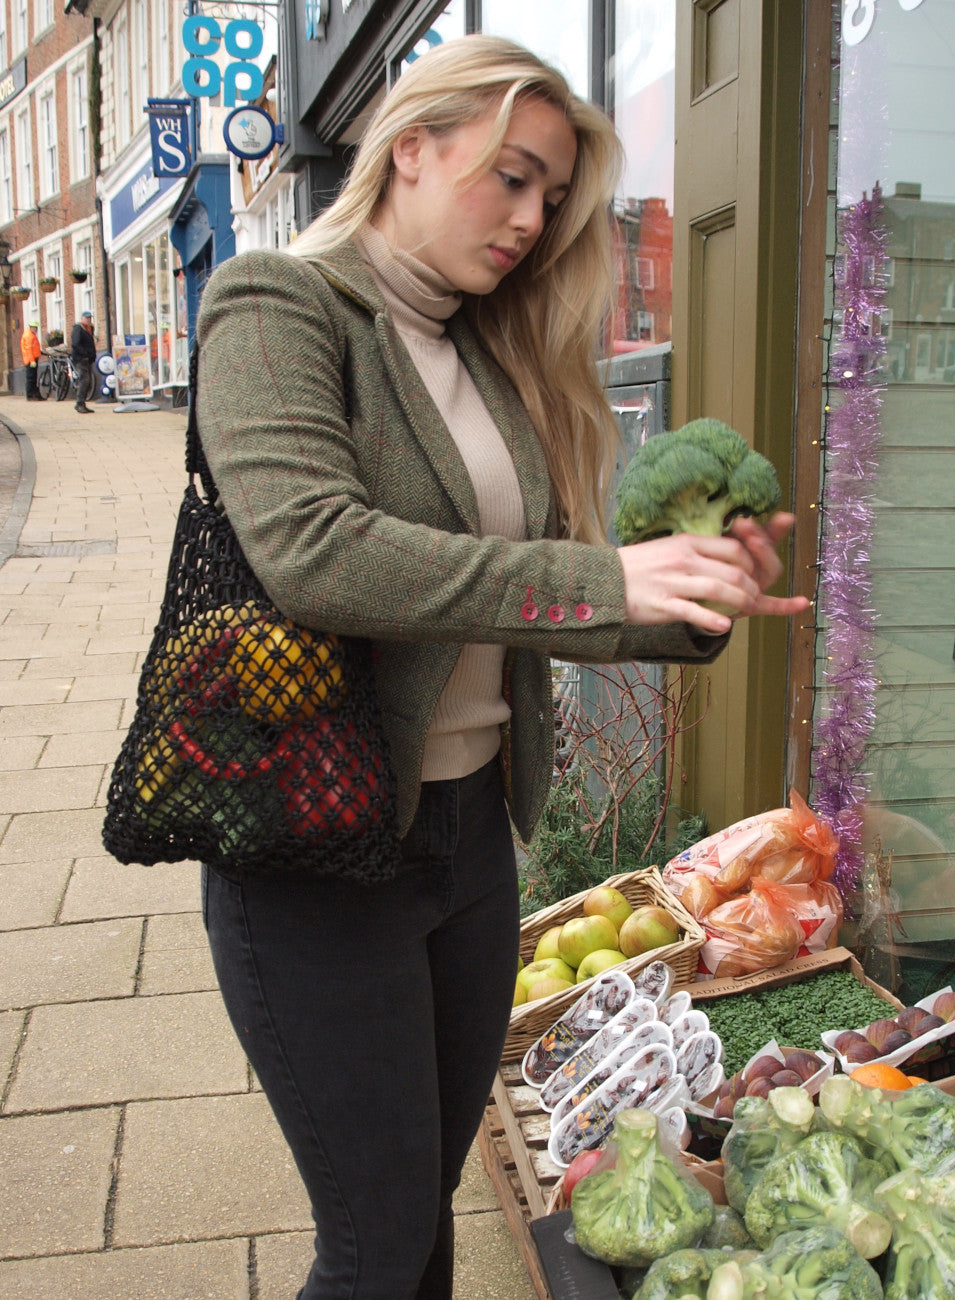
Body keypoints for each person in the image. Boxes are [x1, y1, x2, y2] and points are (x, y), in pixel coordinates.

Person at [193, 35, 808, 1300]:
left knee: (420, 1217)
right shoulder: (274, 304)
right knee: (370, 1248)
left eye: (553, 197)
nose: (533, 220)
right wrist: (610, 578)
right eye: (512, 178)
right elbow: (319, 552)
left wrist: (693, 602)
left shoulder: (480, 348)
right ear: (410, 146)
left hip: (471, 842)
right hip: (320, 853)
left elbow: (519, 596)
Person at [70, 309, 97, 412]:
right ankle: (79, 404)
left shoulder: (89, 329)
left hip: (87, 359)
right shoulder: (78, 329)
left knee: (87, 381)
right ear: (82, 318)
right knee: (84, 381)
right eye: (86, 318)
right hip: (81, 359)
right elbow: (75, 344)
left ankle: (82, 403)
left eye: (90, 318)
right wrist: (85, 354)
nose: (88, 320)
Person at [20, 319, 41, 400]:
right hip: (30, 360)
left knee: (33, 377)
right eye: (35, 328)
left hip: (33, 359)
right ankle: (30, 395)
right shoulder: (29, 336)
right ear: (32, 327)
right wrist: (32, 361)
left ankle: (33, 394)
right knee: (31, 378)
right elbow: (28, 349)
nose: (36, 329)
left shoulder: (31, 334)